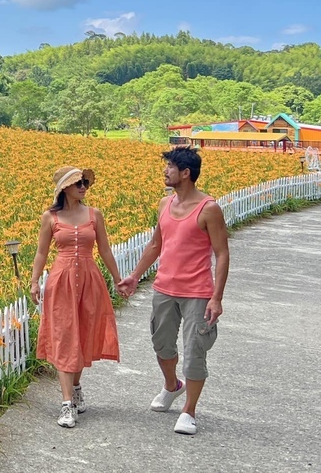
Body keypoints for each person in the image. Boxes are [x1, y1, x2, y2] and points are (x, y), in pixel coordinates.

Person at [117, 147, 230, 435]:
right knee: (162, 345)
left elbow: (222, 254)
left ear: (186, 173)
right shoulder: (164, 204)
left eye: (170, 167)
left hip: (197, 293)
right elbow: (156, 244)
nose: (165, 171)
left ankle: (189, 410)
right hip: (164, 288)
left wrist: (216, 298)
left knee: (194, 353)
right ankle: (172, 386)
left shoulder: (209, 208)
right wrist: (134, 276)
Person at [30, 166, 122, 428]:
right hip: (62, 281)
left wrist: (117, 279)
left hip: (90, 280)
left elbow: (104, 249)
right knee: (63, 337)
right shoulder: (50, 217)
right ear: (64, 188)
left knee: (83, 335)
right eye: (78, 183)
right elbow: (41, 252)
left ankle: (77, 385)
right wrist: (35, 282)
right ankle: (67, 403)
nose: (83, 186)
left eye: (85, 183)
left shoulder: (95, 215)